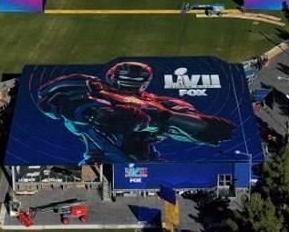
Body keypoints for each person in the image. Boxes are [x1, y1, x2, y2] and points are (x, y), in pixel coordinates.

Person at [37, 61, 235, 164]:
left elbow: (211, 129)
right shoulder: (93, 90)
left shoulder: (160, 103)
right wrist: (99, 112)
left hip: (147, 160)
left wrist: (157, 118)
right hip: (103, 158)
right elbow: (52, 100)